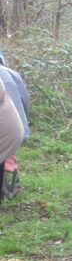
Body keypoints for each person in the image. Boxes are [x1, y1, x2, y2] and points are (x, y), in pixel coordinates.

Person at [0, 48, 29, 201]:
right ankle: (8, 186)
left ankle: (6, 189)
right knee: (8, 154)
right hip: (15, 120)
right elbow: (25, 98)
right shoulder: (11, 73)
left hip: (5, 124)